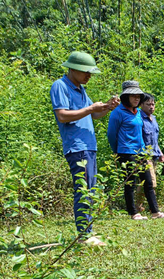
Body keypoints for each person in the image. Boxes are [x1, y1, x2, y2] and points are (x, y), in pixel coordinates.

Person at [50, 51, 119, 246]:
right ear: (72, 69)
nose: (89, 76)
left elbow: (93, 115)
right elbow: (63, 115)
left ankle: (88, 231)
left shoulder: (81, 89)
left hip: (89, 146)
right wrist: (90, 108)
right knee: (83, 189)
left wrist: (106, 107)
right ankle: (84, 235)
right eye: (85, 72)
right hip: (77, 147)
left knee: (90, 189)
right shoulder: (60, 86)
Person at [107, 81, 164, 220]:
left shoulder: (137, 113)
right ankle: (133, 213)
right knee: (131, 183)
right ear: (126, 97)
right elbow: (111, 134)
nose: (136, 98)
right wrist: (117, 152)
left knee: (148, 182)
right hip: (126, 152)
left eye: (138, 96)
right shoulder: (117, 112)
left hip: (141, 151)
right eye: (133, 96)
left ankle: (155, 212)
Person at [136, 93, 164, 210]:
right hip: (144, 155)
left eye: (153, 104)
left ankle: (138, 205)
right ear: (141, 105)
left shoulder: (154, 119)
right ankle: (152, 207)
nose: (151, 107)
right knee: (151, 182)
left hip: (154, 154)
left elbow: (154, 139)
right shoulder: (138, 118)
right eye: (148, 104)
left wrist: (160, 152)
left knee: (145, 182)